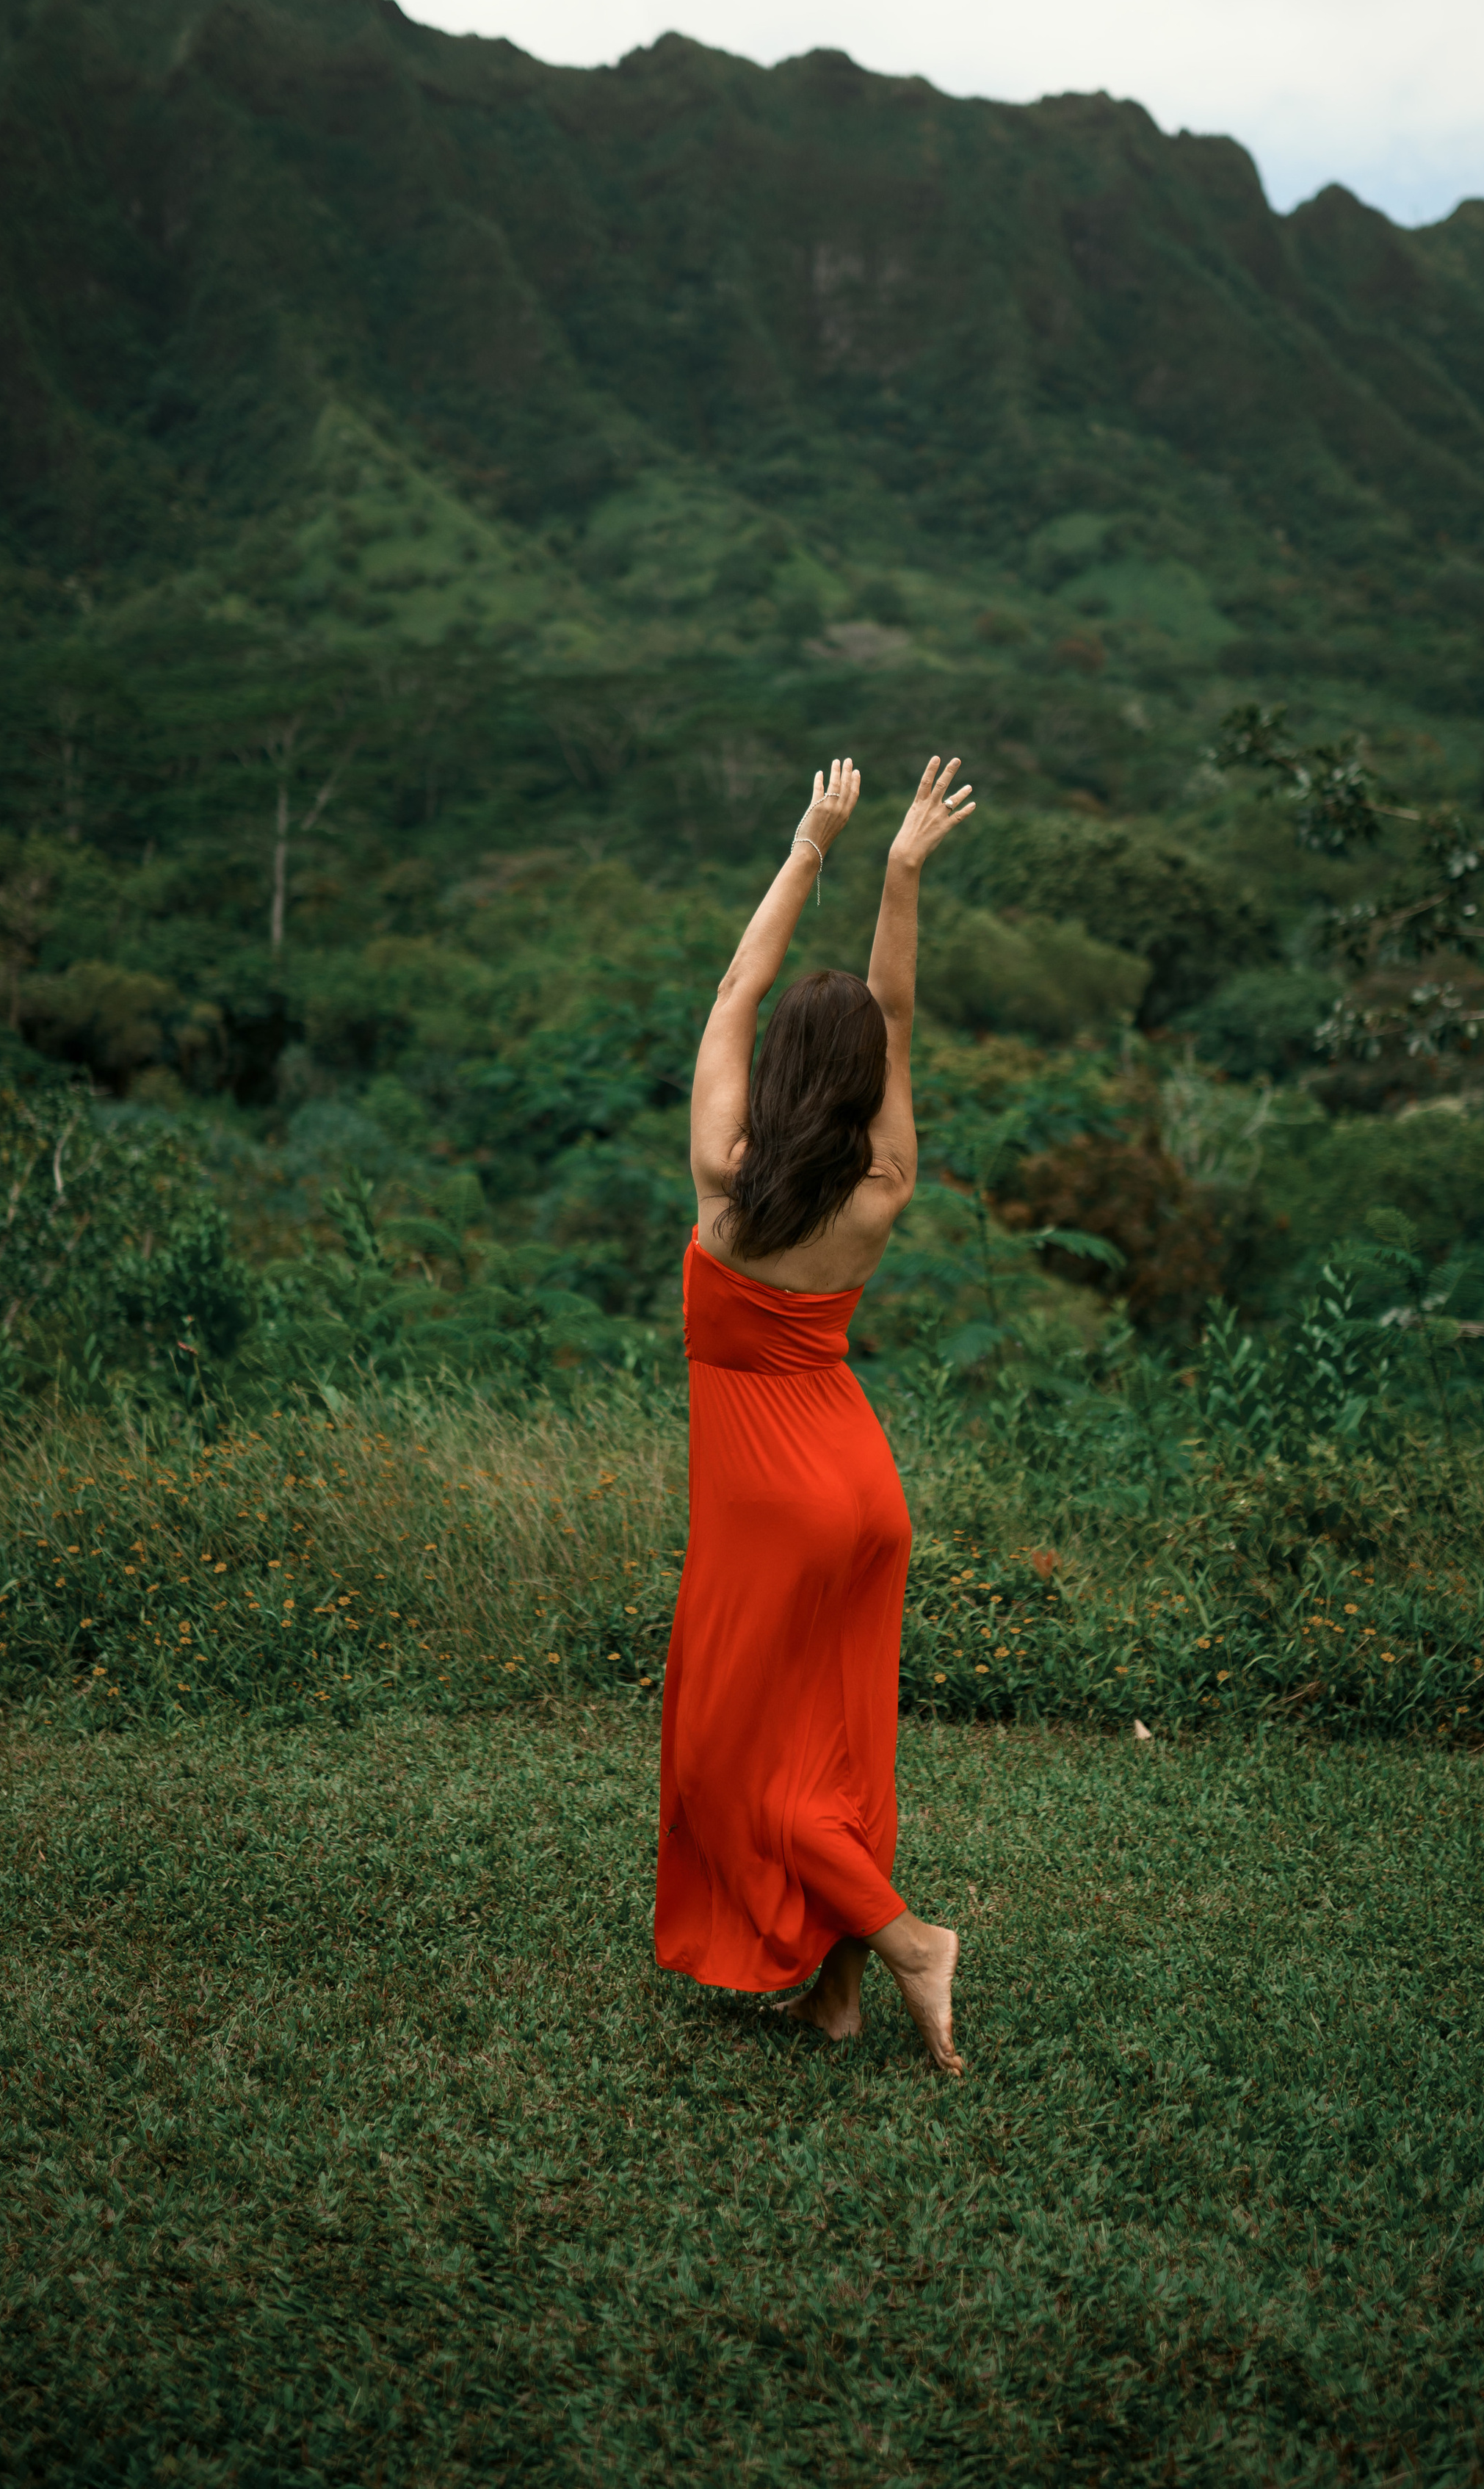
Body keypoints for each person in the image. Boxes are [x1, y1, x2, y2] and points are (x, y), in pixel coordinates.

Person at [655, 751, 975, 2074]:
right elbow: (890, 1015)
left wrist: (814, 845)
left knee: (729, 1759)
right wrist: (903, 875)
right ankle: (833, 1996)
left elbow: (736, 987)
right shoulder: (881, 1187)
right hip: (861, 1489)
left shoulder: (727, 1176)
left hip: (769, 1506)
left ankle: (907, 1943)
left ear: (783, 1060)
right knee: (835, 1750)